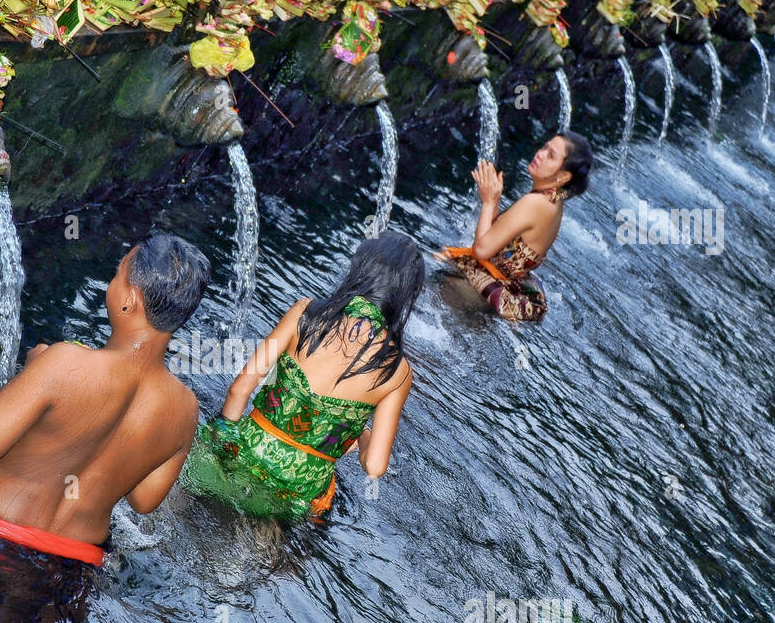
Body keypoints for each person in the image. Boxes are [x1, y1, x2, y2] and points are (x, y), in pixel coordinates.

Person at [0, 233, 211, 577]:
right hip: (73, 567)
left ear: (129, 300)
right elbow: (145, 500)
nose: (111, 284)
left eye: (117, 275)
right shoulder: (185, 409)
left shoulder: (64, 362)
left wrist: (34, 374)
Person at [181, 231, 423, 522]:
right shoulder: (397, 371)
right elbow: (374, 466)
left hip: (243, 453)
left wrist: (222, 443)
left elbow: (240, 389)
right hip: (296, 496)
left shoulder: (305, 313)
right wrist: (360, 432)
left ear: (360, 270)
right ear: (405, 296)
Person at [438, 131, 593, 321]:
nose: (540, 154)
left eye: (550, 155)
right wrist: (494, 199)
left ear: (563, 176)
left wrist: (487, 202)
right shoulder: (553, 202)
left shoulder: (535, 203)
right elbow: (499, 239)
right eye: (545, 147)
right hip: (498, 290)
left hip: (475, 293)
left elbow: (482, 249)